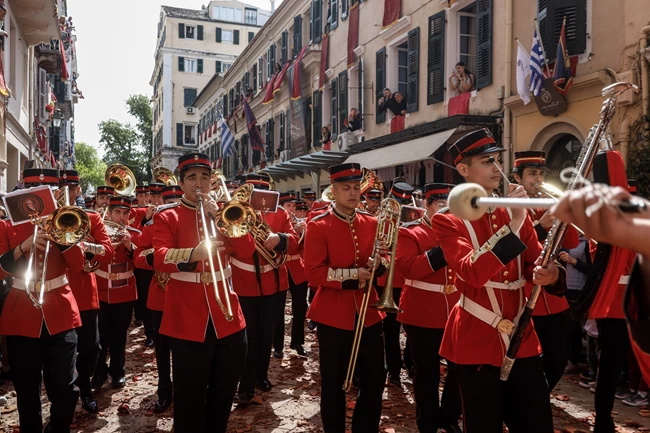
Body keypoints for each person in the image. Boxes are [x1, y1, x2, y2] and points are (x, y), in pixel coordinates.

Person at [431, 129, 564, 433]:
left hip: (522, 336)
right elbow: (472, 273)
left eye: (496, 160)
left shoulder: (512, 209)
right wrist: (516, 224)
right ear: (464, 170)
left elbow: (536, 260)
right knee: (483, 425)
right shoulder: (448, 220)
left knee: (537, 422)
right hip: (476, 338)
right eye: (486, 161)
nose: (496, 168)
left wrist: (552, 272)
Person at [153, 153, 253, 432]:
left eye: (205, 177)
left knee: (224, 392)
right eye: (192, 178)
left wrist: (219, 217)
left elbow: (247, 251)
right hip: (187, 317)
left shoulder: (225, 213)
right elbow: (159, 257)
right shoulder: (168, 216)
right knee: (189, 397)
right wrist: (192, 254)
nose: (199, 183)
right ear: (182, 183)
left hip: (228, 315)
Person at [304, 162, 388, 433]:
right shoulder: (319, 225)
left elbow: (385, 260)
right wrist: (354, 274)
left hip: (370, 311)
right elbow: (314, 274)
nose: (353, 193)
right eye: (345, 188)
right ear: (334, 190)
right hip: (333, 315)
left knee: (376, 379)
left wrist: (381, 264)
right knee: (333, 383)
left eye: (356, 188)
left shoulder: (373, 222)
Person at [0, 168, 85, 433]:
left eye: (46, 191)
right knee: (26, 390)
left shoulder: (67, 221)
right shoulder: (5, 225)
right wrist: (22, 247)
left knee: (65, 386)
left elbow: (79, 265)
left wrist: (62, 239)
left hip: (60, 311)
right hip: (21, 312)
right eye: (32, 191)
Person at [396, 182, 462, 433]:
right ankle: (428, 421)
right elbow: (409, 268)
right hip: (422, 311)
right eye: (440, 204)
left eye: (450, 205)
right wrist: (445, 249)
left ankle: (450, 417)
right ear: (426, 205)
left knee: (458, 369)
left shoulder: (461, 231)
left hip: (455, 309)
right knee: (427, 373)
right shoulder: (410, 232)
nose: (447, 210)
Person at [512, 150, 578, 392]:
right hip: (526, 298)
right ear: (518, 178)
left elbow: (570, 243)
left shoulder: (548, 205)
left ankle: (537, 399)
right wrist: (541, 227)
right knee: (527, 363)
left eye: (541, 173)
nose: (538, 179)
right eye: (532, 174)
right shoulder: (509, 207)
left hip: (555, 298)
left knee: (557, 360)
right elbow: (512, 249)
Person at [232, 174, 300, 404]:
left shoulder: (280, 213)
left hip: (274, 284)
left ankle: (261, 374)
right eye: (255, 194)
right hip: (243, 283)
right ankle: (246, 384)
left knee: (266, 335)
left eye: (264, 194)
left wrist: (279, 238)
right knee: (248, 337)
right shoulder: (236, 213)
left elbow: (294, 240)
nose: (261, 200)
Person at [60, 170, 114, 415]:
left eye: (70, 188)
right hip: (56, 294)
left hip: (84, 292)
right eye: (60, 187)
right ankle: (66, 394)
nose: (64, 193)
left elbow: (108, 251)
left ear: (78, 190)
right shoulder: (44, 219)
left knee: (92, 347)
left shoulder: (92, 217)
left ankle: (85, 388)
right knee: (61, 352)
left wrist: (84, 246)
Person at [133, 184, 183, 412]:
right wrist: (157, 259)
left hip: (186, 295)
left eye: (176, 200)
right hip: (161, 294)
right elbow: (138, 256)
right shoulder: (153, 226)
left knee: (186, 350)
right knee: (163, 351)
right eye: (168, 200)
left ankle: (185, 390)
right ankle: (164, 391)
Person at [92, 196, 140, 390]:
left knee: (120, 337)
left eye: (125, 213)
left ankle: (118, 372)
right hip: (102, 291)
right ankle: (99, 372)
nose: (121, 217)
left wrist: (129, 245)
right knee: (101, 337)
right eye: (117, 212)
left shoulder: (135, 233)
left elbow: (143, 260)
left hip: (124, 292)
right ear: (109, 213)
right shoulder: (98, 232)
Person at [377, 181, 414, 387]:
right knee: (390, 330)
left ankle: (409, 363)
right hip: (388, 280)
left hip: (410, 280)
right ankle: (393, 370)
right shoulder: (381, 220)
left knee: (412, 329)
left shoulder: (415, 218)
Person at [273, 192, 310, 357]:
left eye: (294, 207)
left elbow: (305, 249)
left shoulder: (300, 223)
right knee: (277, 309)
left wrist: (305, 233)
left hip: (296, 267)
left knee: (300, 307)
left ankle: (298, 342)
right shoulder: (276, 219)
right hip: (279, 266)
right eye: (289, 206)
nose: (292, 210)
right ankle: (278, 346)